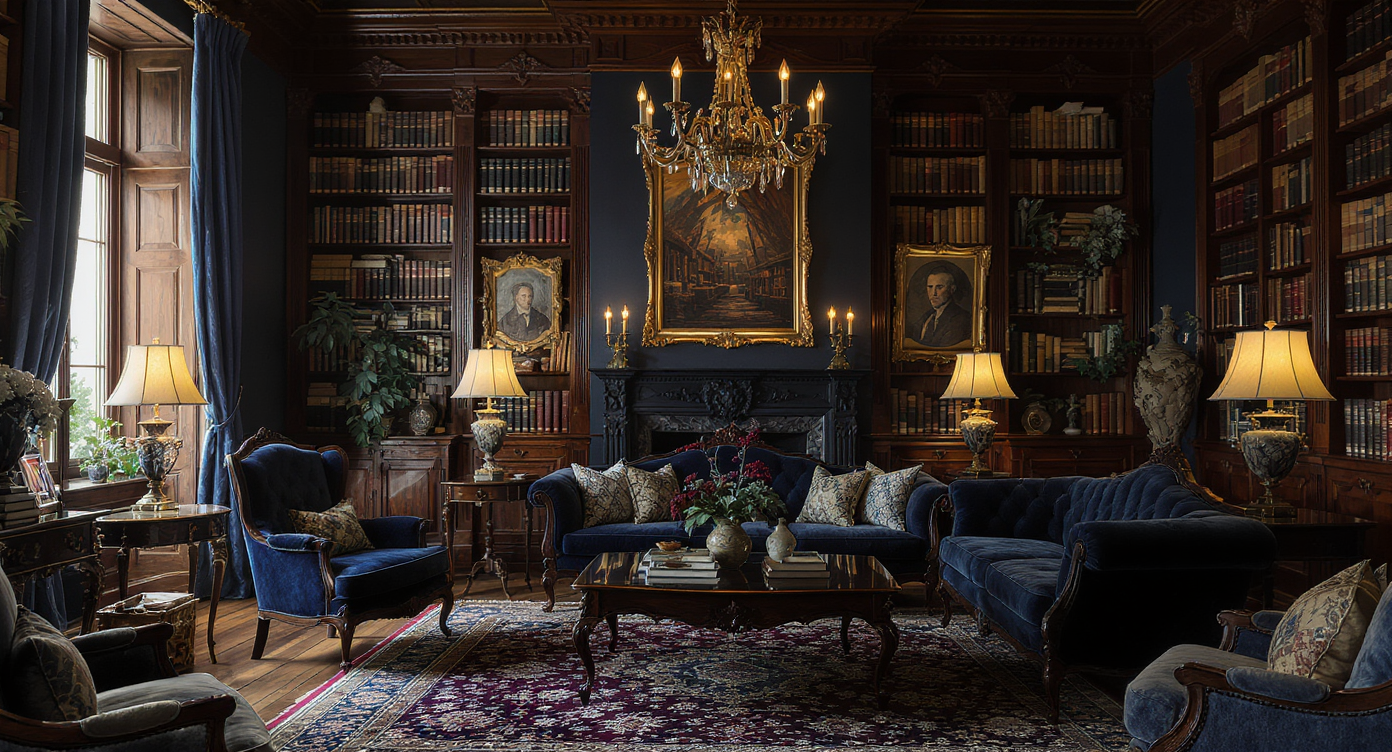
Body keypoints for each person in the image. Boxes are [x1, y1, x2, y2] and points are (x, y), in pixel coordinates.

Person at [909, 265, 971, 347]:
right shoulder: (926, 318)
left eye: (939, 287)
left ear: (952, 289)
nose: (933, 293)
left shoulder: (961, 319)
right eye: (930, 287)